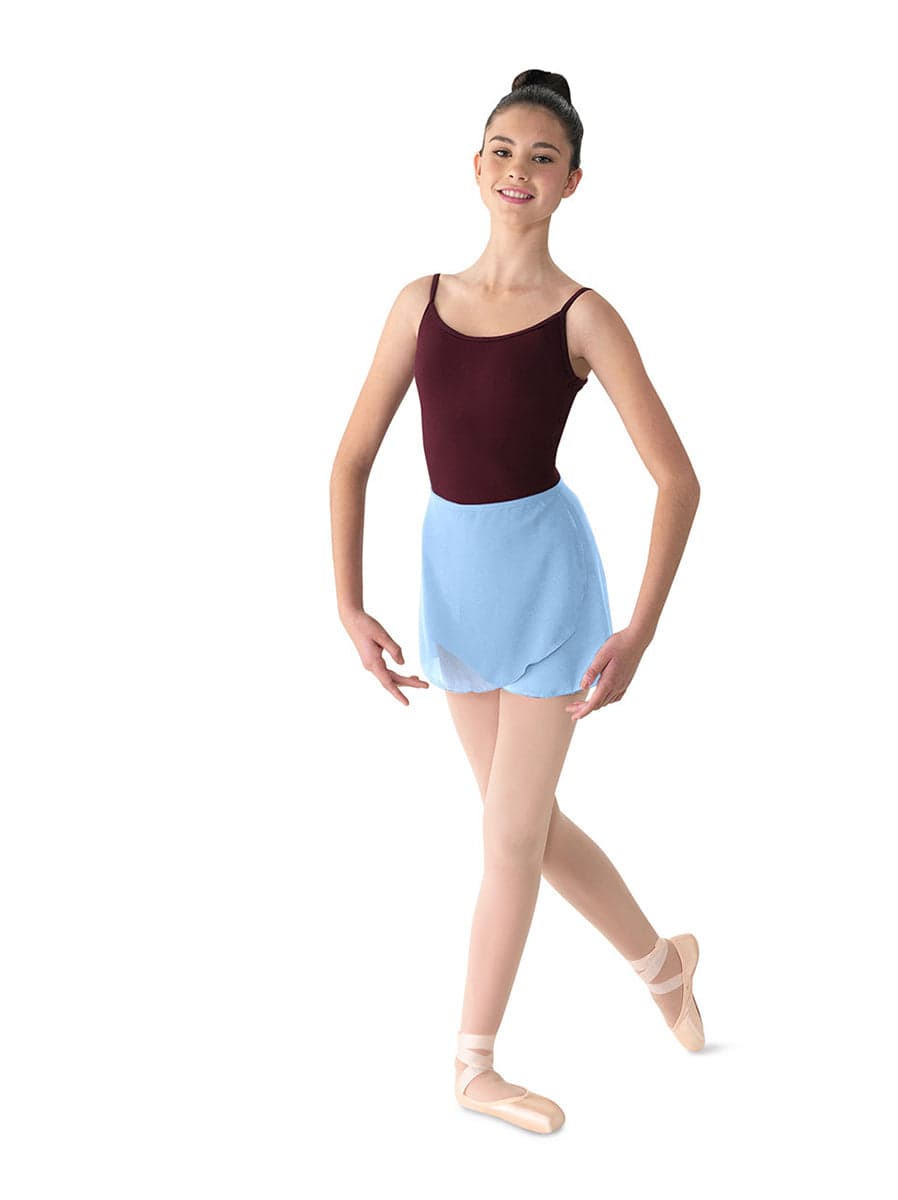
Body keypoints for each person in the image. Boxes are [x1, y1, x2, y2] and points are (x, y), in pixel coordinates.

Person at [330, 68, 704, 1134]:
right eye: (503, 150)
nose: (518, 170)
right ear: (475, 164)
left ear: (572, 181)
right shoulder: (420, 303)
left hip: (548, 593)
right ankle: (664, 965)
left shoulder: (585, 317)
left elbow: (677, 479)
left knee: (505, 838)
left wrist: (639, 632)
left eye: (543, 157)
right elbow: (350, 460)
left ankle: (472, 1066)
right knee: (524, 828)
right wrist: (349, 604)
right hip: (454, 591)